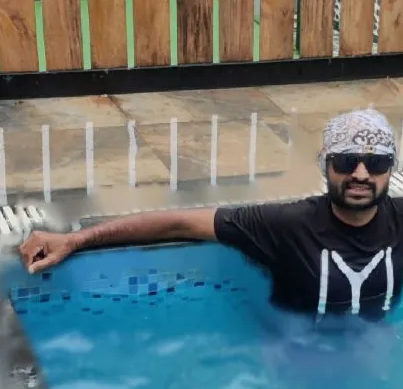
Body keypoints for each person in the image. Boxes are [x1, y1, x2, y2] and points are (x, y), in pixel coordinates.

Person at [19, 108, 403, 319]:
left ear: (391, 168)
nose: (360, 174)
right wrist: (75, 238)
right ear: (326, 165)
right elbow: (179, 221)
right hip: (299, 356)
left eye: (377, 162)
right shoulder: (287, 224)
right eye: (347, 160)